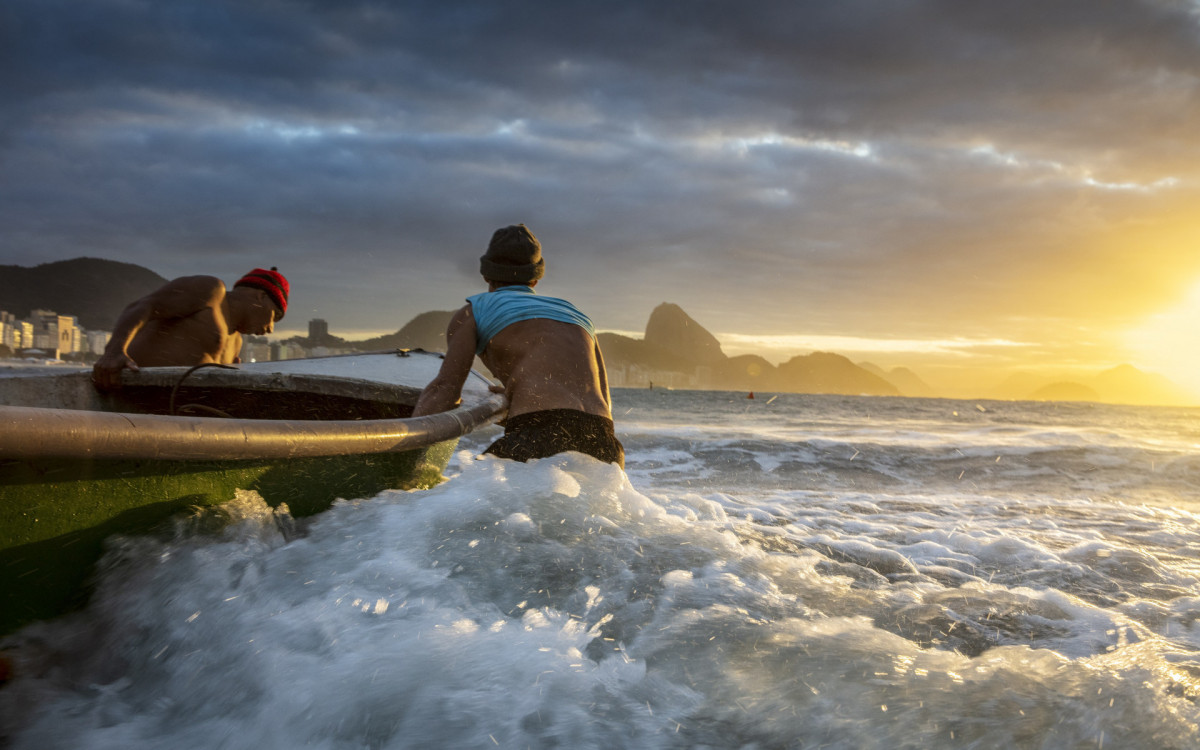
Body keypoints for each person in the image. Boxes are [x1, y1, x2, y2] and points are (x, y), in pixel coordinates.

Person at [413, 224, 624, 468]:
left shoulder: (476, 310)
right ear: (535, 278)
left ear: (486, 275)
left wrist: (405, 445)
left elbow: (445, 389)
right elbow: (604, 401)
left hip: (538, 434)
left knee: (464, 501)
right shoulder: (577, 315)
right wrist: (522, 392)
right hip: (605, 445)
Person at [91, 267, 289, 389]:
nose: (270, 329)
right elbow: (144, 306)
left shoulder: (236, 342)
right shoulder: (211, 292)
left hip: (179, 417)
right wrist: (114, 352)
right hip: (130, 399)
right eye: (275, 316)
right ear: (261, 296)